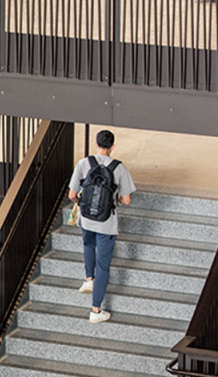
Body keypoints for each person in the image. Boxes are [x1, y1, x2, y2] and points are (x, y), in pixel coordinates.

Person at [69, 130, 135, 324]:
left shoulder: (84, 163)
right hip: (107, 222)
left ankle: (89, 280)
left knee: (88, 245)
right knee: (103, 266)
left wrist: (82, 202)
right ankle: (96, 310)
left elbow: (72, 195)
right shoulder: (119, 168)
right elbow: (127, 200)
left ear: (96, 144)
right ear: (113, 146)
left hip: (86, 218)